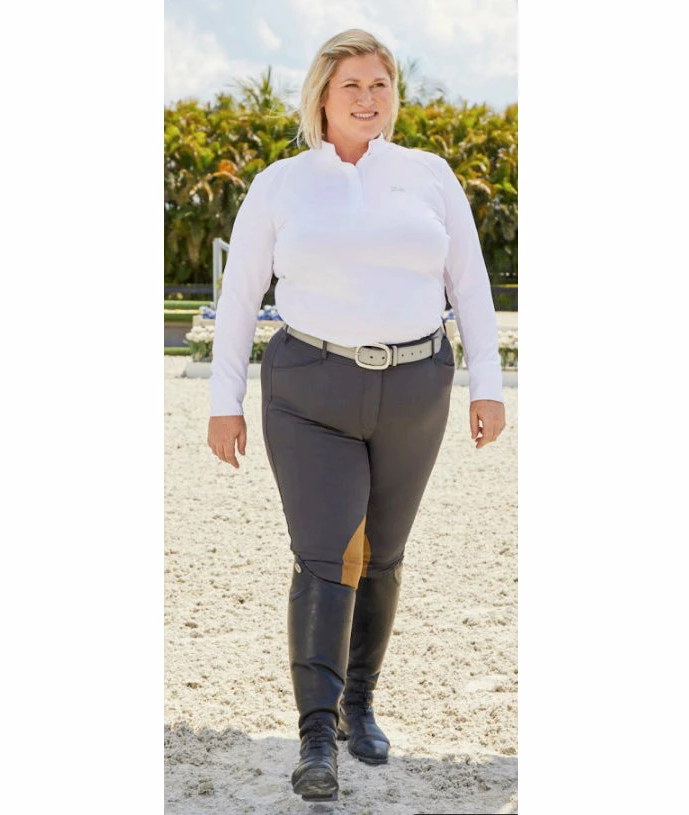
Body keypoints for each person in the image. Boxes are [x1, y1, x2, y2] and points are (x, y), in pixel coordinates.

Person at [207, 28, 506, 803]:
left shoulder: (428, 175)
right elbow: (238, 296)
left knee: (382, 554)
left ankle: (358, 703)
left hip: (416, 387)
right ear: (322, 96)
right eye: (352, 85)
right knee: (325, 553)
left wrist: (487, 384)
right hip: (309, 388)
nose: (368, 98)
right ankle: (315, 733)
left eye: (380, 85)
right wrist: (222, 401)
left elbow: (470, 283)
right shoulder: (281, 184)